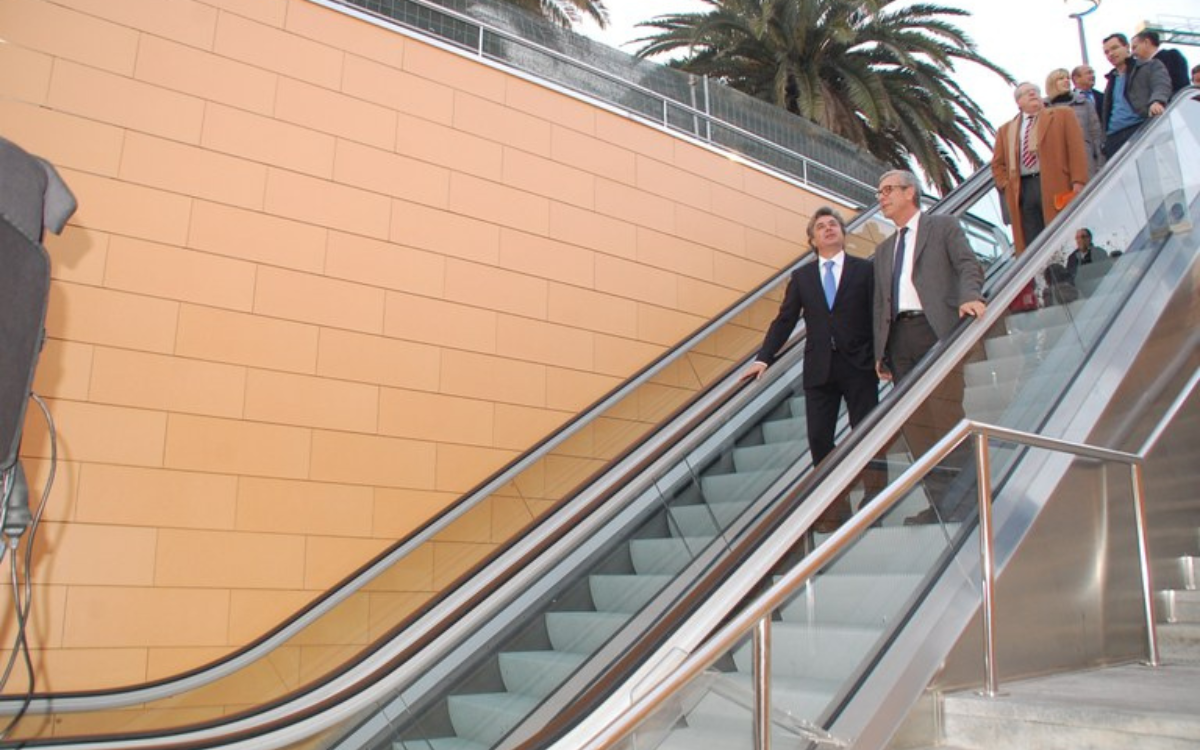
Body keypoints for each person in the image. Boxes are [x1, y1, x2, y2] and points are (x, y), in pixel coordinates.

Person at [743, 207, 878, 531]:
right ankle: (835, 505)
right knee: (819, 437)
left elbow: (878, 312)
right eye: (821, 226)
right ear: (812, 239)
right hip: (819, 368)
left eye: (834, 224)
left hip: (859, 364)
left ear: (843, 233)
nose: (829, 228)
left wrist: (881, 355)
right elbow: (785, 320)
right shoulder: (802, 277)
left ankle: (874, 496)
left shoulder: (864, 270)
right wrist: (764, 357)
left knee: (868, 433)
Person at [872, 170, 986, 524]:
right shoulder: (883, 249)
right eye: (879, 192)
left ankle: (969, 502)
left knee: (946, 418)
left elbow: (968, 264)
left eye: (888, 190)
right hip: (899, 341)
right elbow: (880, 302)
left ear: (911, 192)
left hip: (936, 331)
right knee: (917, 427)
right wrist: (881, 351)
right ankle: (939, 504)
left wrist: (970, 297)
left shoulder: (943, 227)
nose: (882, 197)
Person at [991, 82, 1089, 254]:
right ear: (1018, 102)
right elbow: (997, 164)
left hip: (1054, 182)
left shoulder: (1062, 115)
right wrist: (1006, 185)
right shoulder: (1006, 130)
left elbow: (1075, 149)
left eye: (1035, 91)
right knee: (1032, 238)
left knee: (1059, 233)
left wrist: (1078, 181)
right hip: (1024, 187)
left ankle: (1065, 274)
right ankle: (1046, 276)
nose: (1032, 94)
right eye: (1026, 93)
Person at [1101, 33, 1172, 159]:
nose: (1110, 54)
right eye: (1106, 52)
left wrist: (1157, 101)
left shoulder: (1150, 66)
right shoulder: (1111, 79)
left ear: (1126, 47)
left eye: (1115, 48)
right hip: (1114, 137)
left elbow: (1161, 84)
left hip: (1138, 130)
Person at [1046, 68, 1105, 177]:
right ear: (1052, 84)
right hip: (1059, 164)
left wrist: (1100, 163)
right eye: (1061, 78)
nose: (1066, 81)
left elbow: (1096, 134)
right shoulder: (1044, 109)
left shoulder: (1084, 103)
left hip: (1085, 160)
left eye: (1067, 78)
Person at [1131, 30, 1191, 95]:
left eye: (1135, 47)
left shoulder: (1172, 56)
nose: (1133, 53)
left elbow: (1180, 84)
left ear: (1146, 42)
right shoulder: (1139, 68)